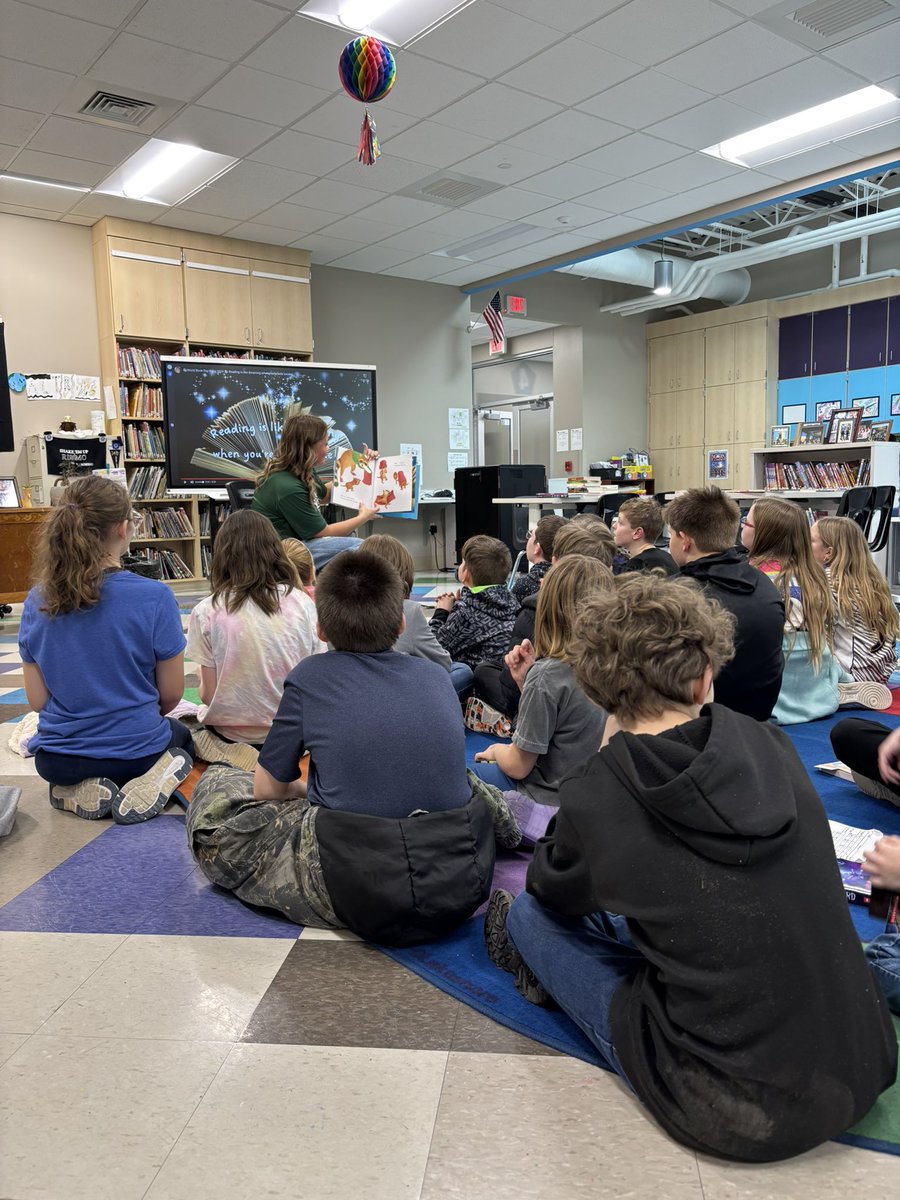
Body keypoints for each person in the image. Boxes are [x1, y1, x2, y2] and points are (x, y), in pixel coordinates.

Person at [483, 573, 897, 1163]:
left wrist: (600, 767)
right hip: (863, 1057)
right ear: (706, 676)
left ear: (596, 688)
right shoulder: (770, 744)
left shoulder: (601, 790)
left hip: (725, 1102)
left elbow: (552, 890)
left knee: (529, 917)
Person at [186, 550, 521, 945]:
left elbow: (266, 790)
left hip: (356, 890)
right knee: (462, 779)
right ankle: (514, 827)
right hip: (464, 880)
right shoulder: (435, 678)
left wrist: (301, 790)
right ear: (400, 624)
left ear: (321, 630)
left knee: (219, 789)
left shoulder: (309, 677)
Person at [18, 474, 193, 823]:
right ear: (124, 528)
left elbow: (37, 702)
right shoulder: (156, 597)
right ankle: (152, 778)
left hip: (60, 759)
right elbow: (171, 695)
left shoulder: (37, 600)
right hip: (138, 751)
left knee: (47, 760)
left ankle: (70, 790)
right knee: (183, 737)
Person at [472, 556, 611, 843]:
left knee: (462, 777)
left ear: (548, 607)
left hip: (548, 804)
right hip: (597, 802)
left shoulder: (549, 675)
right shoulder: (615, 666)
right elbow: (568, 725)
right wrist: (525, 683)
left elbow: (519, 765)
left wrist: (497, 750)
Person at [185, 510, 324, 761]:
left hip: (230, 736)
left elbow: (207, 696)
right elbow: (315, 680)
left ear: (222, 555)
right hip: (293, 735)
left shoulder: (206, 611)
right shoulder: (303, 603)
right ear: (275, 551)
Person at [743, 497, 889, 722]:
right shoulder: (817, 578)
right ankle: (828, 687)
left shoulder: (758, 577)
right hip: (863, 666)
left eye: (747, 522)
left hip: (797, 667)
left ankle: (832, 684)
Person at [665, 486, 785, 721]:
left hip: (700, 723)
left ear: (685, 540)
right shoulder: (764, 583)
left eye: (671, 535)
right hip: (758, 718)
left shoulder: (674, 595)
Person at [473, 522, 615, 719]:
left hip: (547, 709)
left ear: (554, 562)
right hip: (599, 708)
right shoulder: (619, 612)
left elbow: (513, 688)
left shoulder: (536, 608)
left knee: (482, 671)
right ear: (609, 567)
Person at [251, 412, 380, 570]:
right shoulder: (287, 487)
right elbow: (324, 532)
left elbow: (324, 495)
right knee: (360, 547)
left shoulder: (300, 471)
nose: (328, 449)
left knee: (353, 540)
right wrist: (363, 517)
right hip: (284, 553)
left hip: (298, 545)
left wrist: (361, 468)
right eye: (325, 444)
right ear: (308, 448)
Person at [811, 515, 900, 685]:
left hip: (852, 673)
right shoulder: (872, 579)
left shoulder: (826, 581)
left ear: (828, 553)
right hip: (881, 671)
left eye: (810, 541)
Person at [430, 534, 519, 695]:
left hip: (477, 693)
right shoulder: (512, 601)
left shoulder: (466, 612)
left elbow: (433, 650)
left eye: (462, 562)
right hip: (504, 684)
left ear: (465, 574)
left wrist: (441, 613)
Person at [362, 532, 451, 672]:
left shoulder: (340, 606)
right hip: (396, 686)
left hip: (353, 684)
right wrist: (441, 614)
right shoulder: (408, 610)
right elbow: (444, 664)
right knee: (462, 670)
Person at [510, 514, 566, 604]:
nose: (528, 539)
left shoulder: (524, 585)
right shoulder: (570, 578)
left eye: (530, 536)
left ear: (537, 548)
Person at [613, 497, 677, 575]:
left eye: (620, 522)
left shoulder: (637, 566)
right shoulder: (669, 558)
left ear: (637, 533)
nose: (614, 526)